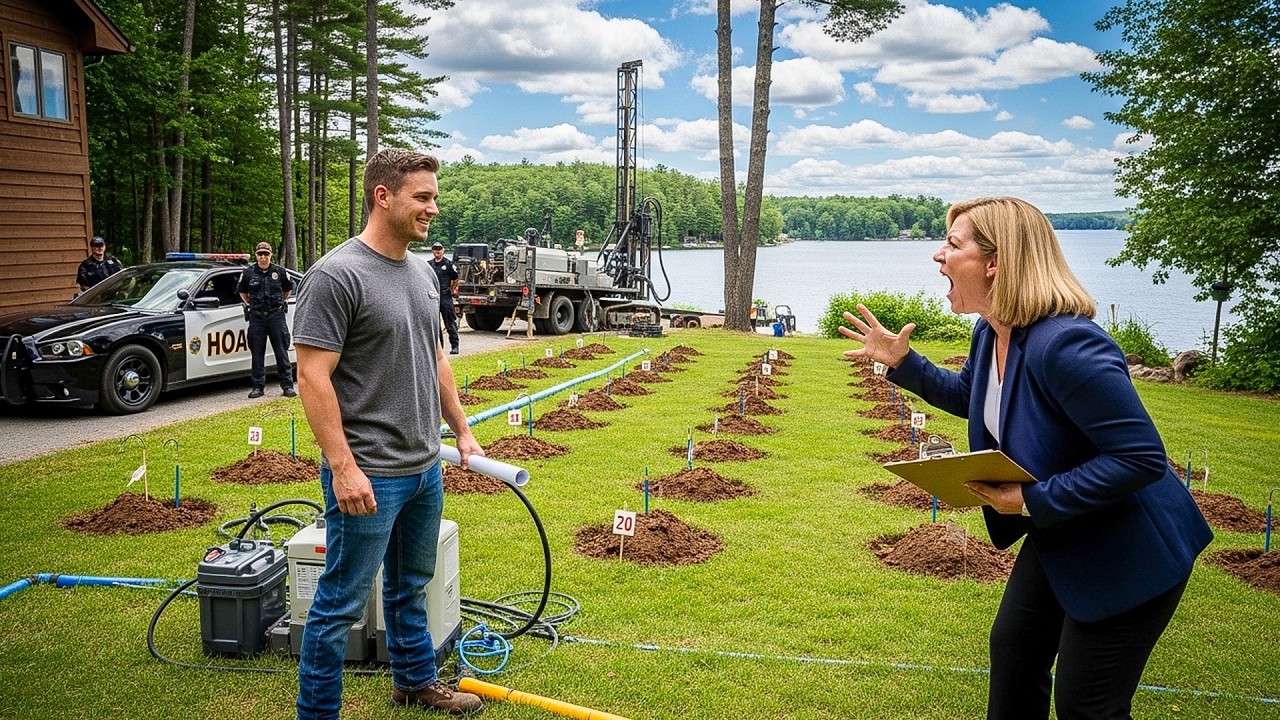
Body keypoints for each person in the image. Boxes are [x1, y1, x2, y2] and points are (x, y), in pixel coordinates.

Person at [839, 196, 1212, 720]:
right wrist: (905, 362)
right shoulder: (992, 331)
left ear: (995, 262)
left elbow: (1141, 458)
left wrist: (1031, 498)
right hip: (1062, 533)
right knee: (1015, 656)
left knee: (1087, 706)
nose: (938, 256)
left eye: (952, 244)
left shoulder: (1068, 344)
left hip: (1130, 548)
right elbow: (971, 394)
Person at [291, 148, 484, 719]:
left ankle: (414, 681)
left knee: (410, 585)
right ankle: (317, 713)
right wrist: (343, 467)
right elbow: (312, 377)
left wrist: (462, 431)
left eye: (434, 197)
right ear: (383, 196)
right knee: (340, 604)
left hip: (424, 467)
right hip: (369, 473)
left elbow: (436, 358)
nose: (433, 208)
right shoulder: (336, 275)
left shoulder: (422, 273)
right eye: (422, 197)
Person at [237, 242, 296, 399]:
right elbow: (242, 291)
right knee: (257, 353)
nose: (263, 257)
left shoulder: (280, 272)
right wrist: (252, 304)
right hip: (257, 317)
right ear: (256, 255)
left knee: (281, 352)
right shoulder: (248, 273)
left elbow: (288, 289)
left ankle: (287, 386)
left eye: (266, 254)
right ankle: (258, 387)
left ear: (271, 255)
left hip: (276, 315)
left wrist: (278, 302)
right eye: (260, 254)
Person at [427, 240, 460, 354]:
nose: (437, 251)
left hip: (445, 297)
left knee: (449, 322)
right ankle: (439, 348)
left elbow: (455, 279)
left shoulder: (449, 264)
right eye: (435, 249)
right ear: (432, 251)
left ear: (443, 250)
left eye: (439, 249)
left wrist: (450, 289)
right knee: (435, 324)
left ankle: (455, 346)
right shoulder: (428, 265)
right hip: (433, 297)